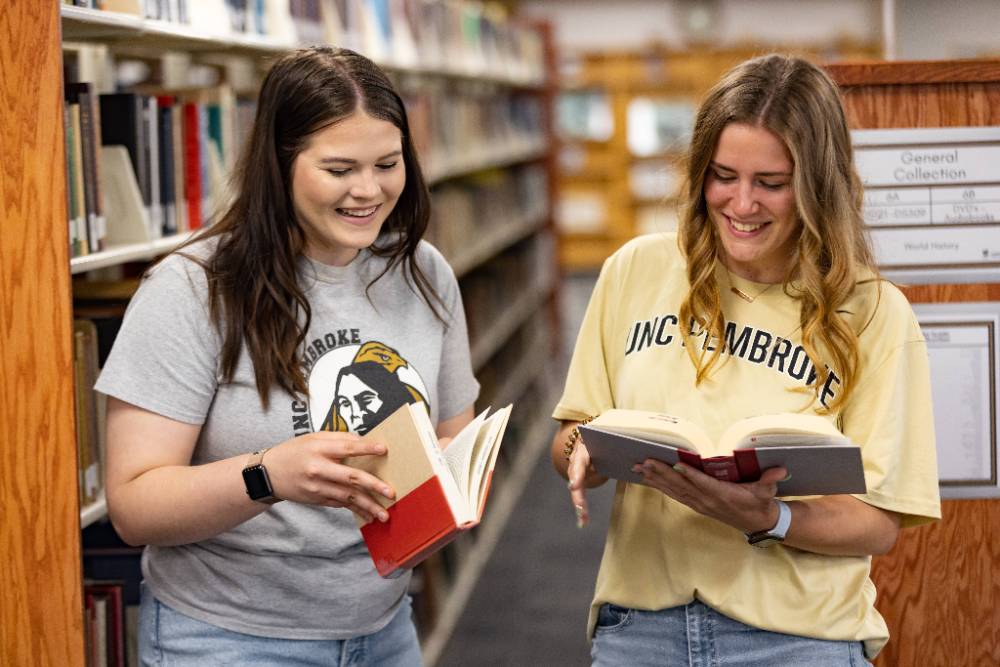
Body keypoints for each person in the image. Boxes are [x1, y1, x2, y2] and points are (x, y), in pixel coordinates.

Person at [551, 53, 941, 666]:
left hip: (799, 639)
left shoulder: (874, 314)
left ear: (818, 185)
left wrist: (771, 516)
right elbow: (572, 434)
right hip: (642, 629)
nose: (741, 203)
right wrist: (581, 453)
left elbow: (881, 523)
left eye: (772, 183)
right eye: (722, 175)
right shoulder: (636, 270)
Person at [96, 46, 479, 665]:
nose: (369, 191)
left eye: (388, 163)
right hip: (229, 639)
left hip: (384, 627)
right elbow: (135, 506)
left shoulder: (424, 273)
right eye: (338, 169)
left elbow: (451, 439)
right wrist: (269, 476)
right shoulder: (192, 288)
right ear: (280, 165)